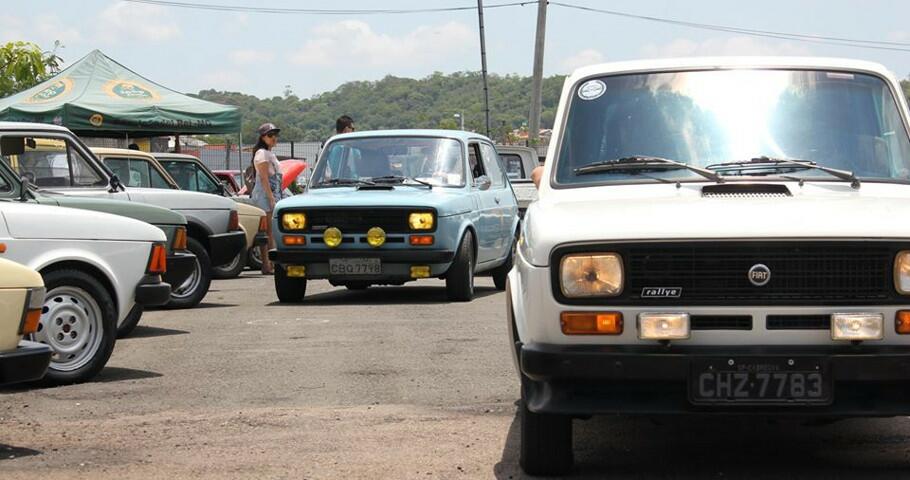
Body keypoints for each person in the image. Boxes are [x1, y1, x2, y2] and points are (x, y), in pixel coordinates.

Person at [251, 122, 283, 275]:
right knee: (268, 231)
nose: (274, 138)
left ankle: (269, 264)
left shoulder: (270, 153)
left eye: (275, 135)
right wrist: (271, 197)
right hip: (265, 193)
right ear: (263, 137)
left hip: (272, 191)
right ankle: (269, 264)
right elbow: (264, 178)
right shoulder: (262, 153)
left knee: (270, 230)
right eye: (270, 135)